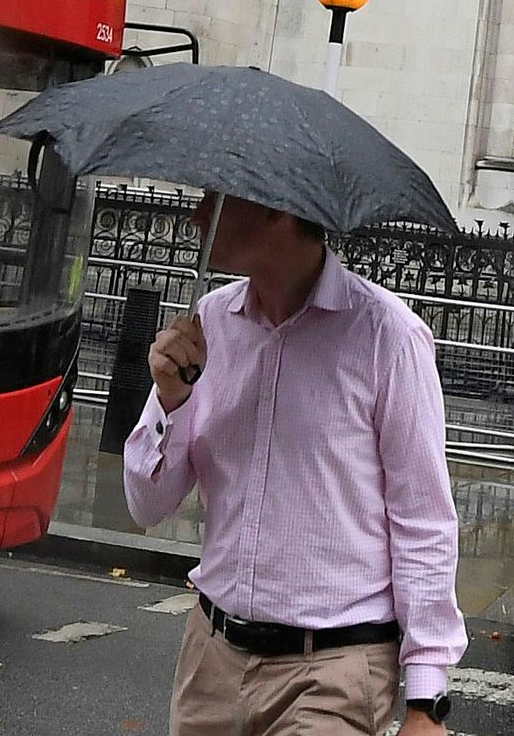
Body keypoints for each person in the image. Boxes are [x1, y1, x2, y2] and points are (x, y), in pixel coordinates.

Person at [123, 191, 462, 736]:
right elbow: (147, 504)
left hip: (330, 673)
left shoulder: (386, 337)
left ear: (275, 208)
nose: (196, 215)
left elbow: (423, 522)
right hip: (212, 661)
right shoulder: (208, 325)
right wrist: (169, 400)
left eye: (216, 199)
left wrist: (426, 702)